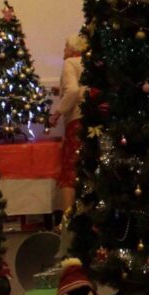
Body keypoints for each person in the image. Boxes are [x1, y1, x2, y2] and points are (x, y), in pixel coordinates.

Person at [49, 33, 87, 225]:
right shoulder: (91, 62)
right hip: (93, 121)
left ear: (72, 49)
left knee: (69, 171)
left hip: (76, 121)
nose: (64, 52)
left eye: (65, 48)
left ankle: (66, 221)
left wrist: (56, 113)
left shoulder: (70, 62)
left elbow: (72, 91)